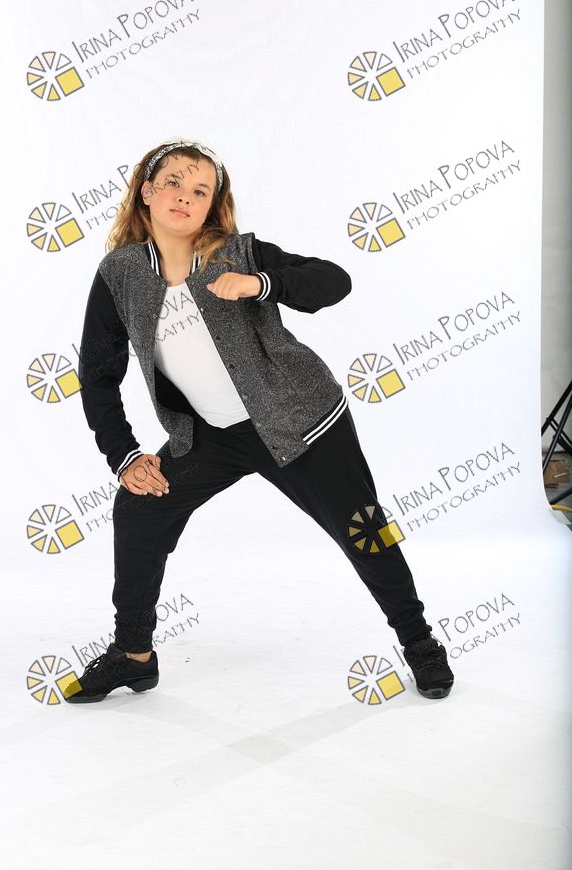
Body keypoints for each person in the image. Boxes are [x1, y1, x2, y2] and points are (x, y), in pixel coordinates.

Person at [65, 138, 454, 704]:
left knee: (363, 527)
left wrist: (260, 283)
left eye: (201, 190)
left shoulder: (240, 253)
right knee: (139, 508)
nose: (185, 196)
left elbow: (333, 280)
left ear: (212, 205)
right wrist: (124, 456)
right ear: (146, 192)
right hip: (209, 436)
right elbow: (98, 375)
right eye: (173, 182)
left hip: (301, 422)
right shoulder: (119, 274)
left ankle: (419, 641)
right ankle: (133, 655)